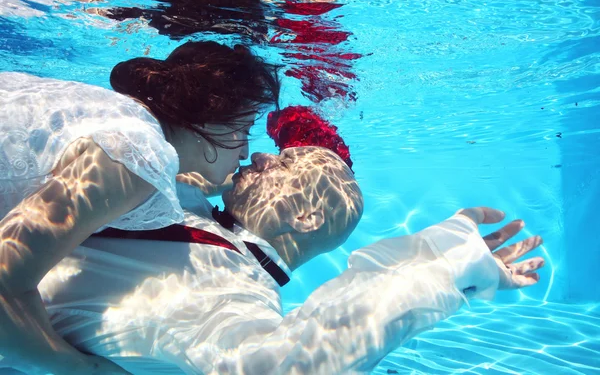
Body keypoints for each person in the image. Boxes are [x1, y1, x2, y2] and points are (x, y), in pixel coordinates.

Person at [2, 145, 544, 374]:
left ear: (303, 219)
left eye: (282, 163)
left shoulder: (230, 292)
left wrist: (447, 268)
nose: (259, 154)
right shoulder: (199, 209)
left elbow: (279, 366)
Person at [0, 41, 281, 374]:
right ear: (208, 119)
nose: (247, 151)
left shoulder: (129, 122)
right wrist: (82, 368)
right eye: (243, 129)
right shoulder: (139, 157)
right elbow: (4, 280)